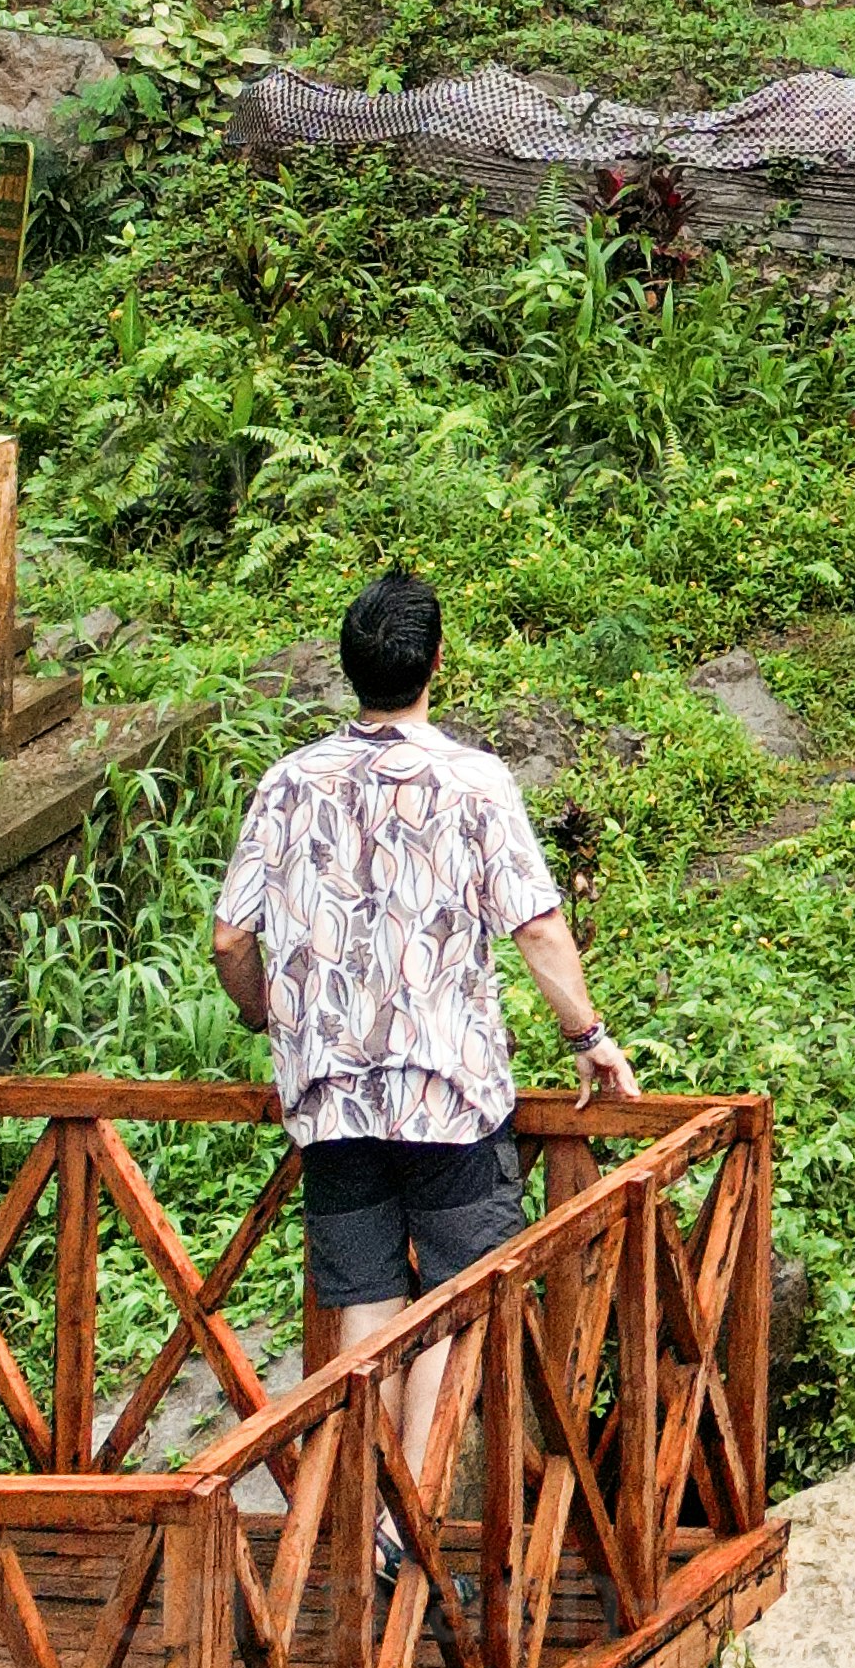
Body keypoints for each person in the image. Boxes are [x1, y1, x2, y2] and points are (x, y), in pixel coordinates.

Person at [212, 566, 631, 1378]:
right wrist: (588, 1033)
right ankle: (417, 1501)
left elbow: (231, 938)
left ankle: (375, 1507)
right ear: (437, 659)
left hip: (330, 1097)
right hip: (448, 1091)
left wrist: (267, 1013)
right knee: (455, 1306)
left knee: (366, 1307)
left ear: (349, 665)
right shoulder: (474, 780)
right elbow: (537, 925)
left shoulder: (286, 783)